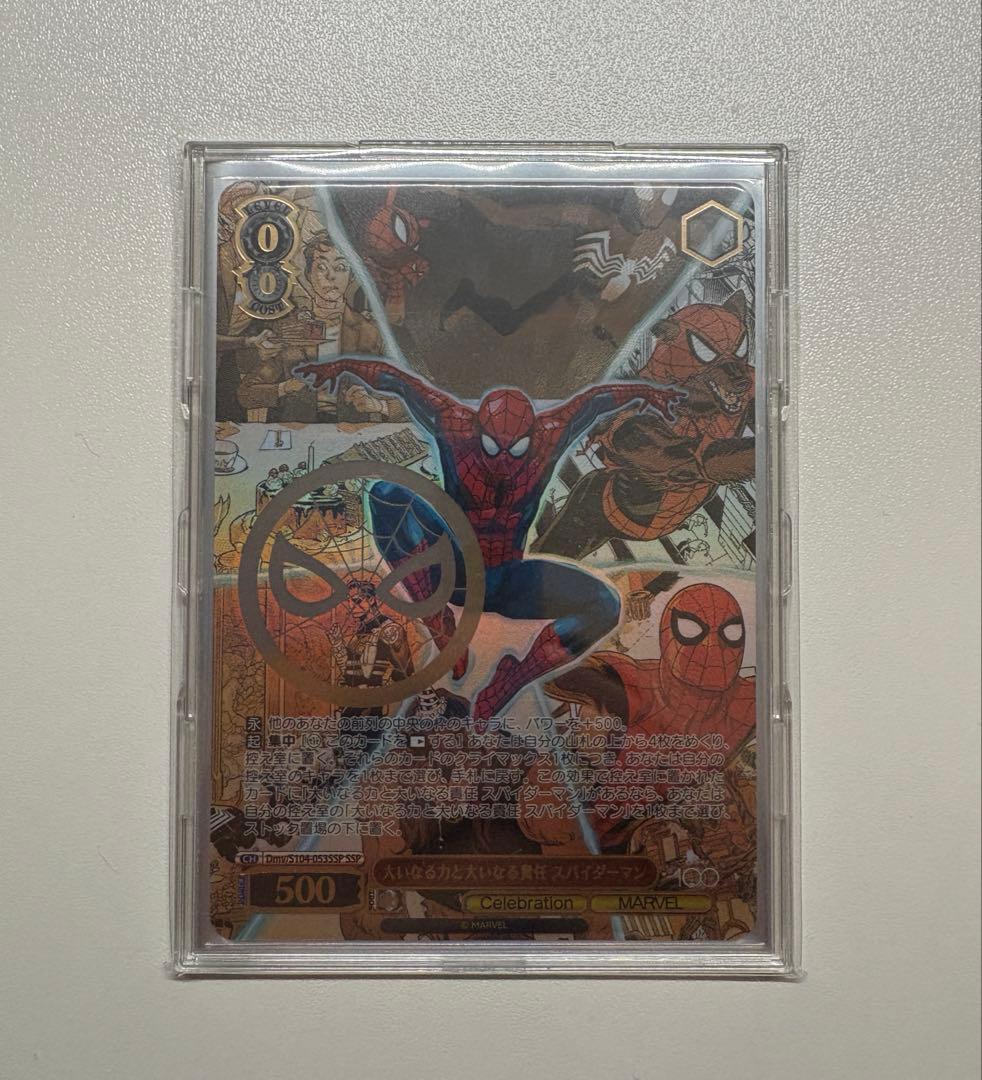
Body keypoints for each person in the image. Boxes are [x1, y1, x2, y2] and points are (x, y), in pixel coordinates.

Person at [235, 232, 383, 423]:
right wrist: (285, 387)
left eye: (340, 268)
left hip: (351, 431)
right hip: (298, 430)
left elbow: (410, 392)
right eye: (321, 267)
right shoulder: (288, 328)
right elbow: (246, 394)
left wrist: (379, 405)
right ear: (308, 274)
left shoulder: (369, 330)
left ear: (351, 276)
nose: (330, 276)